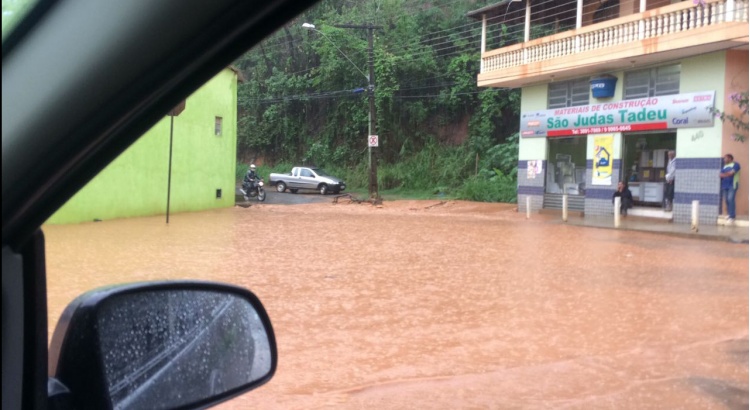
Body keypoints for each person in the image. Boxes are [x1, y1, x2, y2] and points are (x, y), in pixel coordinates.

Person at [719, 153, 741, 223]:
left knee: (730, 199)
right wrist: (727, 174)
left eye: (725, 158)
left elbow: (732, 173)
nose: (724, 159)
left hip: (733, 185)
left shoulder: (736, 165)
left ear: (730, 158)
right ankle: (729, 214)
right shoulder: (724, 166)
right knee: (727, 200)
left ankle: (732, 216)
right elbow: (720, 175)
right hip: (725, 185)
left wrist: (725, 174)